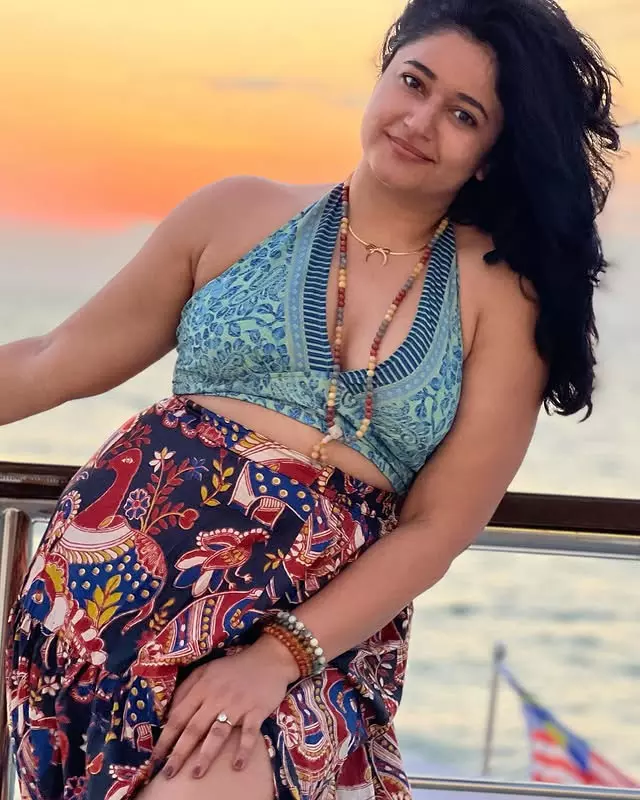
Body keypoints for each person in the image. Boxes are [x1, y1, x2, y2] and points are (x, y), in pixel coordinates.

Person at [1, 0, 620, 797]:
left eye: (463, 114)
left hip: (300, 638)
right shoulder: (234, 214)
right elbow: (54, 358)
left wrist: (277, 657)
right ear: (383, 77)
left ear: (492, 155)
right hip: (102, 610)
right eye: (413, 82)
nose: (420, 120)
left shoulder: (503, 297)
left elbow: (439, 525)